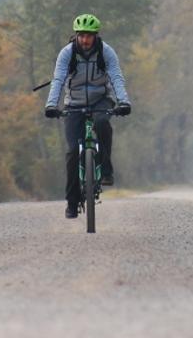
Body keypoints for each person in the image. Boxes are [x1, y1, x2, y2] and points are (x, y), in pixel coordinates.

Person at [44, 13, 132, 219]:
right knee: (73, 151)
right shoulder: (67, 54)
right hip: (74, 103)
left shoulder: (106, 52)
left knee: (102, 123)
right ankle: (72, 202)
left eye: (89, 35)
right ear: (76, 35)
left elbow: (116, 77)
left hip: (100, 100)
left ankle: (106, 170)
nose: (85, 40)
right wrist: (51, 105)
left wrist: (124, 101)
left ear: (96, 35)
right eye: (82, 35)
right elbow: (58, 80)